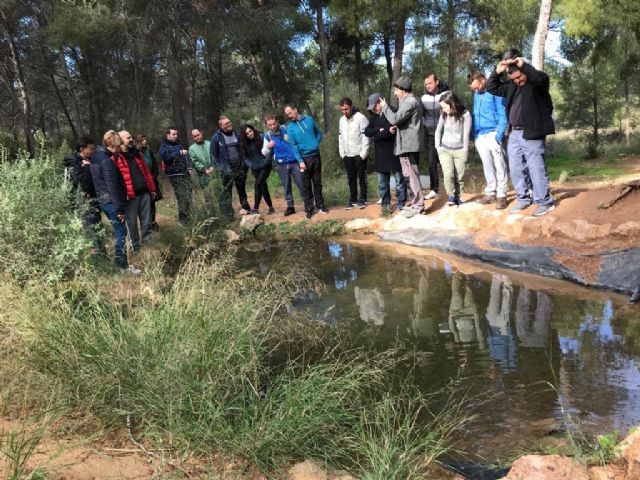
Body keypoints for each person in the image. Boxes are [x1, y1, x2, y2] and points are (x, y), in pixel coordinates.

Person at [486, 51, 556, 217]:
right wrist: (497, 72)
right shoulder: (512, 86)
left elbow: (541, 78)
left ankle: (544, 202)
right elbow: (491, 87)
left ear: (523, 69)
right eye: (514, 79)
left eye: (520, 77)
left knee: (535, 167)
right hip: (515, 133)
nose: (518, 81)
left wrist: (522, 64)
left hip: (533, 131)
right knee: (516, 168)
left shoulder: (537, 84)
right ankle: (523, 198)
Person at [90, 130, 140, 274]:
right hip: (111, 202)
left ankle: (121, 264)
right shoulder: (107, 161)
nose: (119, 151)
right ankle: (122, 265)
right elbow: (112, 186)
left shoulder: (96, 156)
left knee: (119, 231)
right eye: (118, 147)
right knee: (121, 233)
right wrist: (119, 209)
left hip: (103, 199)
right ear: (112, 145)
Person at [380, 76, 425, 212]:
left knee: (412, 175)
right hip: (405, 145)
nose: (395, 93)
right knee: (408, 175)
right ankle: (415, 204)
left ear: (403, 90)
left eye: (396, 90)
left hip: (409, 145)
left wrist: (385, 107)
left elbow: (394, 119)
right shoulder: (407, 101)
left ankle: (419, 205)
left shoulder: (409, 102)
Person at [467, 71, 509, 210]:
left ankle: (502, 195)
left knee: (499, 164)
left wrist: (500, 133)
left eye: (477, 86)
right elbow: (475, 113)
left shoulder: (495, 91)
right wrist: (476, 134)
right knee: (487, 165)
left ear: (483, 79)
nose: (476, 89)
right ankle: (490, 192)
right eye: (474, 88)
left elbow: (503, 113)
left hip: (494, 132)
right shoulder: (476, 95)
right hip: (481, 135)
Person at [364, 93, 406, 216]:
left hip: (394, 152)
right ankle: (385, 206)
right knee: (382, 184)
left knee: (399, 181)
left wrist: (381, 133)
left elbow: (391, 131)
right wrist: (380, 130)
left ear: (380, 102)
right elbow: (367, 132)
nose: (373, 109)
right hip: (380, 154)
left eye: (375, 106)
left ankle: (401, 204)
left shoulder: (393, 112)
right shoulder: (374, 117)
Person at [284, 104, 328, 219]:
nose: (289, 116)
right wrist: (300, 161)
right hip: (303, 159)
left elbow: (319, 133)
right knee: (306, 185)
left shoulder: (309, 120)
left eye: (290, 113)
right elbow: (293, 146)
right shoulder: (290, 128)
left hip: (316, 156)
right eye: (287, 114)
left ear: (295, 109)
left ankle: (321, 205)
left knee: (317, 182)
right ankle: (309, 208)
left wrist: (315, 143)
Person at [117, 130, 157, 252]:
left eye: (131, 137)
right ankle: (135, 249)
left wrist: (152, 188)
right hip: (130, 196)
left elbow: (146, 172)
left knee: (146, 221)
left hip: (144, 193)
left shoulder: (137, 154)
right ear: (120, 140)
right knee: (131, 223)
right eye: (128, 138)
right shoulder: (117, 157)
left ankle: (147, 245)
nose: (130, 140)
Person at [63, 137, 103, 252]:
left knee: (98, 229)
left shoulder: (90, 160)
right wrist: (86, 167)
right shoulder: (73, 162)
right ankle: (95, 259)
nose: (93, 151)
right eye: (91, 149)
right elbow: (81, 182)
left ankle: (102, 256)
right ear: (82, 149)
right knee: (90, 231)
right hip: (83, 203)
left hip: (94, 201)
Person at [262, 114, 306, 217]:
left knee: (301, 183)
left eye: (274, 124)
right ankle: (290, 207)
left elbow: (298, 140)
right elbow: (264, 152)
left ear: (277, 121)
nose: (272, 126)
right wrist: (269, 146)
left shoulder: (287, 129)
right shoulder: (267, 135)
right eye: (270, 125)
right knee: (286, 186)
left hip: (294, 161)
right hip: (281, 164)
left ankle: (307, 203)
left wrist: (290, 138)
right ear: (267, 125)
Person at [434, 92, 472, 206]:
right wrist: (438, 146)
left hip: (460, 150)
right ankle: (450, 195)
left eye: (445, 106)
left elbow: (466, 134)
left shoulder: (465, 114)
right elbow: (438, 131)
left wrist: (465, 150)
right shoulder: (444, 115)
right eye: (442, 107)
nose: (443, 109)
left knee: (459, 176)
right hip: (445, 150)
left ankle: (458, 198)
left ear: (452, 103)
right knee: (448, 173)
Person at [210, 116, 251, 220]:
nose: (228, 124)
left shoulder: (236, 134)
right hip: (226, 170)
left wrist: (245, 164)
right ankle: (228, 216)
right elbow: (213, 156)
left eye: (229, 122)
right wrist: (220, 168)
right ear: (221, 126)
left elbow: (244, 148)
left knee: (242, 190)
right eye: (225, 123)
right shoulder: (216, 137)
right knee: (227, 193)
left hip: (239, 167)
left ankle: (246, 210)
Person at [338, 97, 371, 209]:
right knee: (351, 178)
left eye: (346, 109)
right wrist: (342, 153)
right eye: (342, 109)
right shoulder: (341, 120)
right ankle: (353, 199)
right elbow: (340, 137)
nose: (344, 112)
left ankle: (363, 199)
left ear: (351, 107)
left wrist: (364, 153)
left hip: (359, 154)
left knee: (362, 177)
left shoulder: (361, 118)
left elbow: (366, 136)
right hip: (347, 154)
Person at [421, 74, 450, 200]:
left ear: (437, 82)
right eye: (426, 84)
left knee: (447, 163)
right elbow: (421, 114)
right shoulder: (423, 97)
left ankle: (452, 190)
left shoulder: (447, 94)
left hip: (445, 134)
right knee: (432, 162)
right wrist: (424, 125)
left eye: (430, 83)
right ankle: (434, 189)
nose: (427, 86)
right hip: (430, 135)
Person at [159, 127, 193, 226]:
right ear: (168, 135)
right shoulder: (163, 146)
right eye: (173, 134)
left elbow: (187, 156)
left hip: (184, 173)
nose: (176, 136)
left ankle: (188, 216)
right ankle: (183, 220)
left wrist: (189, 168)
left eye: (176, 134)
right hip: (175, 174)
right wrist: (179, 153)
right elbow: (166, 158)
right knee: (181, 196)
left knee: (188, 195)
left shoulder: (179, 144)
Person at [239, 123, 274, 215]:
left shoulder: (262, 137)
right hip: (255, 168)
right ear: (244, 135)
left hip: (265, 166)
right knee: (262, 186)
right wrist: (251, 165)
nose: (250, 134)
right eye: (247, 133)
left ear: (253, 129)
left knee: (258, 184)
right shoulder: (244, 143)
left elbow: (270, 150)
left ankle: (255, 208)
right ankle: (271, 207)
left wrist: (266, 161)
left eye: (250, 131)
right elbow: (245, 158)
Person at [135, 134, 161, 231]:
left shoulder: (149, 151)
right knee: (145, 204)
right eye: (143, 140)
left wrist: (153, 176)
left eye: (145, 139)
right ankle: (146, 224)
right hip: (143, 183)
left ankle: (153, 222)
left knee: (152, 202)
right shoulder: (136, 153)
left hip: (152, 181)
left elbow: (155, 165)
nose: (145, 141)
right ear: (138, 142)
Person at [188, 128, 214, 208]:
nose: (197, 137)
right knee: (207, 194)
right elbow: (194, 161)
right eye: (195, 136)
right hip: (202, 174)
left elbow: (214, 155)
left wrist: (213, 166)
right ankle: (211, 212)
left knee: (217, 190)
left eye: (198, 135)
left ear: (201, 134)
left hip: (214, 171)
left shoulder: (209, 144)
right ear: (193, 138)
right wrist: (204, 169)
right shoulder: (192, 148)